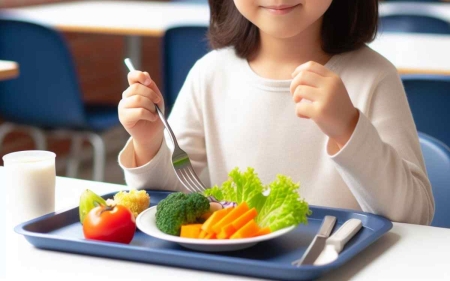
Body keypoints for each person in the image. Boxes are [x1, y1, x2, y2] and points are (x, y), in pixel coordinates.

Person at [117, 0, 434, 225]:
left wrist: (348, 128)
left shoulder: (374, 77)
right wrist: (148, 144)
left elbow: (413, 216)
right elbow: (169, 203)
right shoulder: (209, 73)